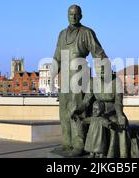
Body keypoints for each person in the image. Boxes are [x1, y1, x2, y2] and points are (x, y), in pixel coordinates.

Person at [50, 4, 109, 157]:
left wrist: (104, 71)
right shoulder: (62, 34)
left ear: (81, 16)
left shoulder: (86, 32)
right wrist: (52, 73)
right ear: (67, 15)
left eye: (76, 14)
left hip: (79, 77)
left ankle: (78, 145)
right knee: (63, 112)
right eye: (71, 14)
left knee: (76, 112)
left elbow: (98, 52)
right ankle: (67, 143)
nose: (73, 17)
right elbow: (57, 56)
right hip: (64, 79)